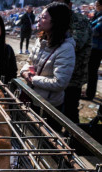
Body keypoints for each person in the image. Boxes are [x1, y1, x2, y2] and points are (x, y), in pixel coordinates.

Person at [20, 2, 75, 131]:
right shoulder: (41, 40)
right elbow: (29, 62)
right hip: (32, 97)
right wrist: (24, 72)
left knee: (45, 142)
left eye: (44, 17)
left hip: (49, 106)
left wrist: (33, 79)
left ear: (56, 22)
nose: (39, 19)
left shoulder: (66, 49)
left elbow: (60, 82)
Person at [54, 0, 92, 124]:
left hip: (74, 75)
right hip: (57, 72)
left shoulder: (79, 21)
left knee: (70, 110)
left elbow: (76, 45)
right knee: (55, 110)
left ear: (69, 5)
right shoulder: (56, 19)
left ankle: (74, 140)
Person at [83, 0, 102, 100]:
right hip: (93, 47)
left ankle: (90, 94)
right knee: (90, 71)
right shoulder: (97, 15)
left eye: (97, 5)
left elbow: (95, 30)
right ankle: (88, 92)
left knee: (92, 71)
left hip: (97, 48)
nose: (95, 6)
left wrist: (87, 27)